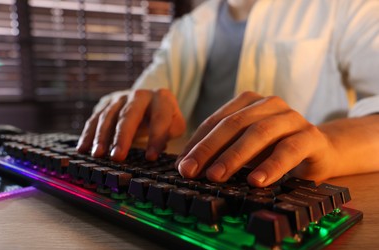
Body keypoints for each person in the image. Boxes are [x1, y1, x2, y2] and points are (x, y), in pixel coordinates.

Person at [77, 0, 379, 187]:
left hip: (288, 190)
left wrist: (328, 145)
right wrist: (131, 113)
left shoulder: (348, 7)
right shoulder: (187, 28)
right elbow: (142, 95)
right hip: (199, 188)